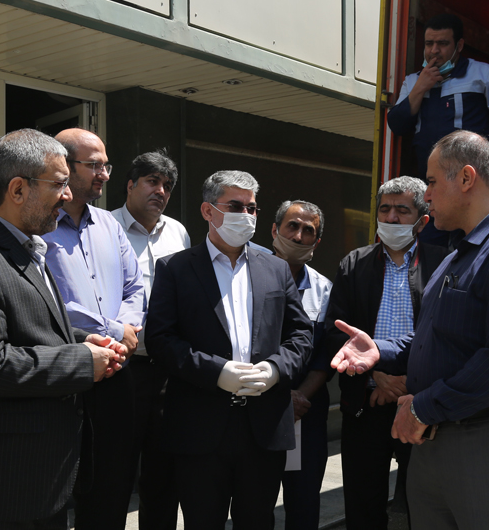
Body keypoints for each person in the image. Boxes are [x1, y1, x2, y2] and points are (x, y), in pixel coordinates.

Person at [331, 131, 489, 530]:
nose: (426, 196)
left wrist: (423, 407)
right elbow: (437, 337)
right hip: (438, 435)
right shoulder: (460, 253)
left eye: (432, 182)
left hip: (487, 439)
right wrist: (382, 351)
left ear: (467, 178)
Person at [0, 129, 124, 529]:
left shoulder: (27, 247)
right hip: (1, 494)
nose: (68, 196)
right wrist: (80, 362)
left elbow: (30, 329)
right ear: (18, 189)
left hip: (39, 485)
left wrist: (83, 341)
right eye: (59, 184)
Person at [145, 170, 312, 529]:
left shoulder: (277, 269)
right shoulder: (175, 269)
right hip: (200, 428)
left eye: (252, 208)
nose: (246, 215)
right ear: (208, 211)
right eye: (235, 206)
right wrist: (216, 372)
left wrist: (275, 369)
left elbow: (300, 335)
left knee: (258, 522)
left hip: (263, 428)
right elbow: (160, 340)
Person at [325, 176, 447, 530]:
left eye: (402, 210)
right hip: (365, 403)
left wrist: (408, 380)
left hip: (422, 405)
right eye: (385, 209)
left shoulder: (444, 264)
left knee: (425, 508)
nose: (392, 218)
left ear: (422, 220)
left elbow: (447, 335)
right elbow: (334, 330)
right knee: (363, 507)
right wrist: (375, 375)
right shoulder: (354, 263)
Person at [44, 128, 145, 530]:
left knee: (112, 488)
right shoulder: (41, 226)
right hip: (68, 371)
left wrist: (127, 328)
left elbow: (135, 286)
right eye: (95, 165)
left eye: (106, 165)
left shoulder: (109, 224)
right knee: (57, 491)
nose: (104, 174)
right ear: (65, 167)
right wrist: (115, 330)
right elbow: (50, 301)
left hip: (117, 372)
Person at [111, 149, 190, 530]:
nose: (160, 191)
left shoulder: (178, 233)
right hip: (120, 368)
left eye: (167, 185)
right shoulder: (105, 227)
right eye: (152, 182)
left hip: (167, 371)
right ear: (130, 185)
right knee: (114, 474)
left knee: (163, 477)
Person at [387, 12, 489, 179]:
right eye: (429, 44)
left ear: (459, 46)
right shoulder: (412, 81)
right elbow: (397, 125)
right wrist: (420, 87)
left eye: (443, 43)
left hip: (474, 181)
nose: (434, 50)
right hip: (430, 182)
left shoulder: (483, 74)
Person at [271, 200, 332, 530]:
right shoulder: (244, 278)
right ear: (275, 230)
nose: (298, 236)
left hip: (304, 412)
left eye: (308, 231)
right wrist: (277, 397)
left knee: (304, 502)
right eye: (292, 226)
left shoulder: (325, 290)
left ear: (317, 242)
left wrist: (299, 397)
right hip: (258, 408)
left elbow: (326, 355)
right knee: (256, 501)